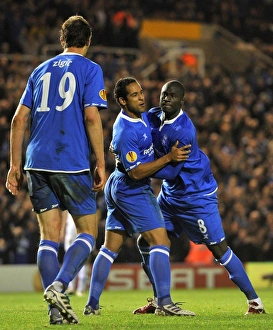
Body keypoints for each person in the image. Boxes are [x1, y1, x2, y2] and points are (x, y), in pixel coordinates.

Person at [5, 15, 107, 325]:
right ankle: (60, 287)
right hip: (71, 160)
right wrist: (101, 162)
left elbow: (18, 120)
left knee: (48, 237)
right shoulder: (90, 69)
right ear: (87, 42)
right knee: (88, 231)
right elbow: (91, 117)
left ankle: (55, 311)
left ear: (62, 40)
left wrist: (14, 165)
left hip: (36, 162)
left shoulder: (39, 71)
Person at [133, 80, 266, 316]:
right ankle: (159, 300)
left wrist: (140, 169)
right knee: (146, 241)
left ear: (182, 101)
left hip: (196, 197)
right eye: (164, 94)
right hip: (171, 194)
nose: (166, 99)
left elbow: (173, 170)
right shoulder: (154, 115)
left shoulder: (183, 131)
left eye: (172, 96)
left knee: (219, 250)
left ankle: (255, 302)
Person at [83, 77, 195, 317]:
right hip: (131, 187)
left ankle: (91, 305)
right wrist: (168, 158)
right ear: (123, 101)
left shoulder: (142, 115)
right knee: (161, 241)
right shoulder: (124, 131)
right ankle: (164, 302)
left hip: (118, 184)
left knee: (110, 247)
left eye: (141, 92)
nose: (141, 97)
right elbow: (136, 172)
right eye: (134, 95)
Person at [64, 212, 89, 296]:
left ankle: (80, 288)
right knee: (73, 259)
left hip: (82, 228)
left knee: (82, 259)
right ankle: (73, 287)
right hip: (73, 229)